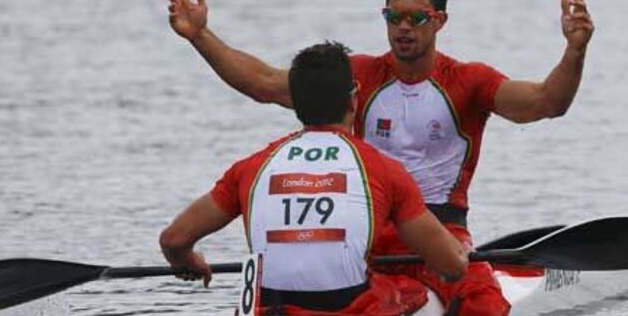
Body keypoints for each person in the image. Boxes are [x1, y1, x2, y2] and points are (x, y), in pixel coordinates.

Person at [163, 0, 594, 315]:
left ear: (439, 21)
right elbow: (263, 83)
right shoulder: (357, 75)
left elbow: (545, 103)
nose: (403, 29)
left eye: (416, 19)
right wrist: (200, 36)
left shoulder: (468, 82)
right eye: (393, 17)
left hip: (440, 230)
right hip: (365, 232)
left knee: (483, 305)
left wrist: (574, 53)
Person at [159, 41, 468, 314]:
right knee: (425, 298)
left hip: (268, 308)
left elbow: (174, 239)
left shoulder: (251, 168)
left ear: (296, 101)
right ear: (354, 99)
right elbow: (451, 267)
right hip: (346, 308)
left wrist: (185, 261)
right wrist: (458, 253)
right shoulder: (384, 170)